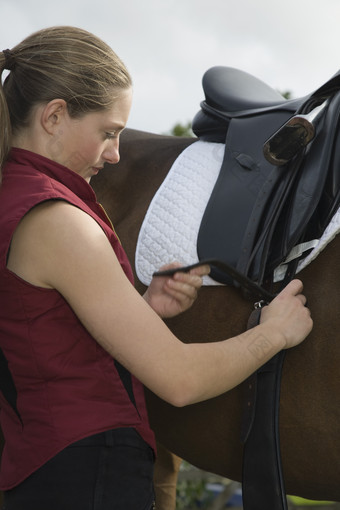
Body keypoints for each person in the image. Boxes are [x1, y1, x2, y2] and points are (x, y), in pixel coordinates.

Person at [0, 26, 312, 510]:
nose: (116, 153)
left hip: (44, 469)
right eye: (108, 132)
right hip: (88, 477)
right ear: (55, 116)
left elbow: (41, 335)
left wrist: (145, 309)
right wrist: (273, 333)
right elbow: (179, 380)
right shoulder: (57, 220)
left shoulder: (14, 199)